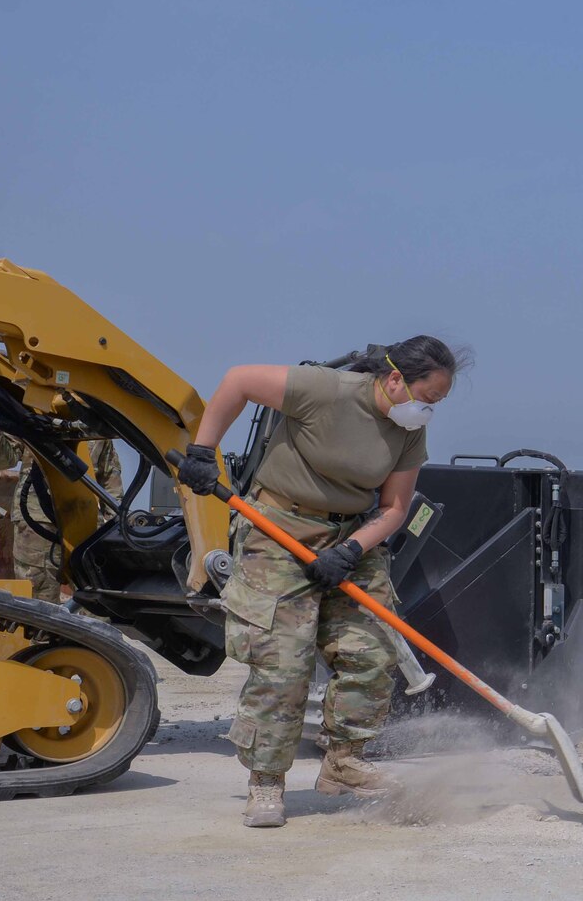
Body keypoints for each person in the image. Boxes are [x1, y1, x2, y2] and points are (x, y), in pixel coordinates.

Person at [176, 336, 462, 828]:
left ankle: (343, 764)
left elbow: (394, 508)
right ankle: (266, 781)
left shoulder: (408, 432)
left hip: (350, 536)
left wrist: (350, 551)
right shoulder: (325, 390)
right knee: (283, 661)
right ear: (395, 379)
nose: (428, 411)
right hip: (277, 526)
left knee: (373, 652)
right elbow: (238, 380)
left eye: (436, 404)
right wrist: (203, 451)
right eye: (427, 398)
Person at [0, 424, 123, 599]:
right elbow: (1, 460)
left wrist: (115, 527)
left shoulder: (91, 421)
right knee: (38, 599)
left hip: (86, 522)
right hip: (38, 522)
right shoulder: (31, 414)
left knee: (96, 599)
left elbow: (109, 477)